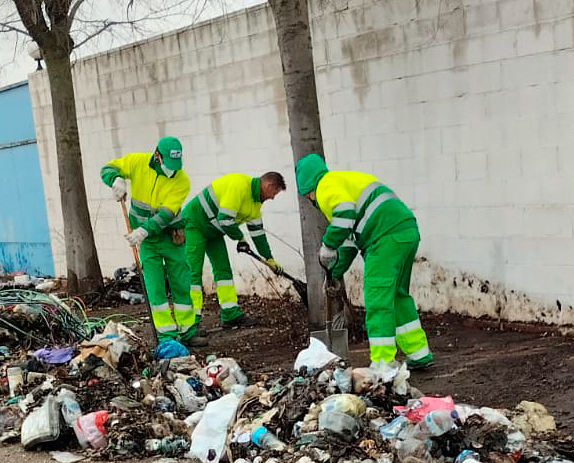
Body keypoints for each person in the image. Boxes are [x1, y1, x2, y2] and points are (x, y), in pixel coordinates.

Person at [294, 153, 433, 370]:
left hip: (384, 237)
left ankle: (383, 363)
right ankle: (419, 353)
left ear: (307, 190)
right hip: (405, 231)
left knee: (378, 300)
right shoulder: (344, 182)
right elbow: (350, 240)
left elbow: (344, 215)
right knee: (397, 295)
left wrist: (328, 245)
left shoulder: (325, 186)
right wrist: (335, 273)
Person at [100, 136, 201, 346]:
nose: (171, 170)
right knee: (155, 288)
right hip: (147, 242)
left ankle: (188, 332)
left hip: (172, 237)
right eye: (168, 164)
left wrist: (144, 231)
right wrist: (115, 179)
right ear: (157, 156)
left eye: (176, 165)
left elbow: (166, 214)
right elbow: (108, 168)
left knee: (181, 283)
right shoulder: (138, 163)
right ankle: (166, 336)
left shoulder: (181, 180)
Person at [181, 172, 285, 329]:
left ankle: (231, 315)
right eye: (274, 193)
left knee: (223, 271)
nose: (272, 198)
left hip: (214, 231)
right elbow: (225, 219)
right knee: (193, 272)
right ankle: (191, 322)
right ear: (269, 186)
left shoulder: (255, 204)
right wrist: (240, 239)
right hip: (195, 223)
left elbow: (258, 234)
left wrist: (269, 258)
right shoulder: (239, 186)